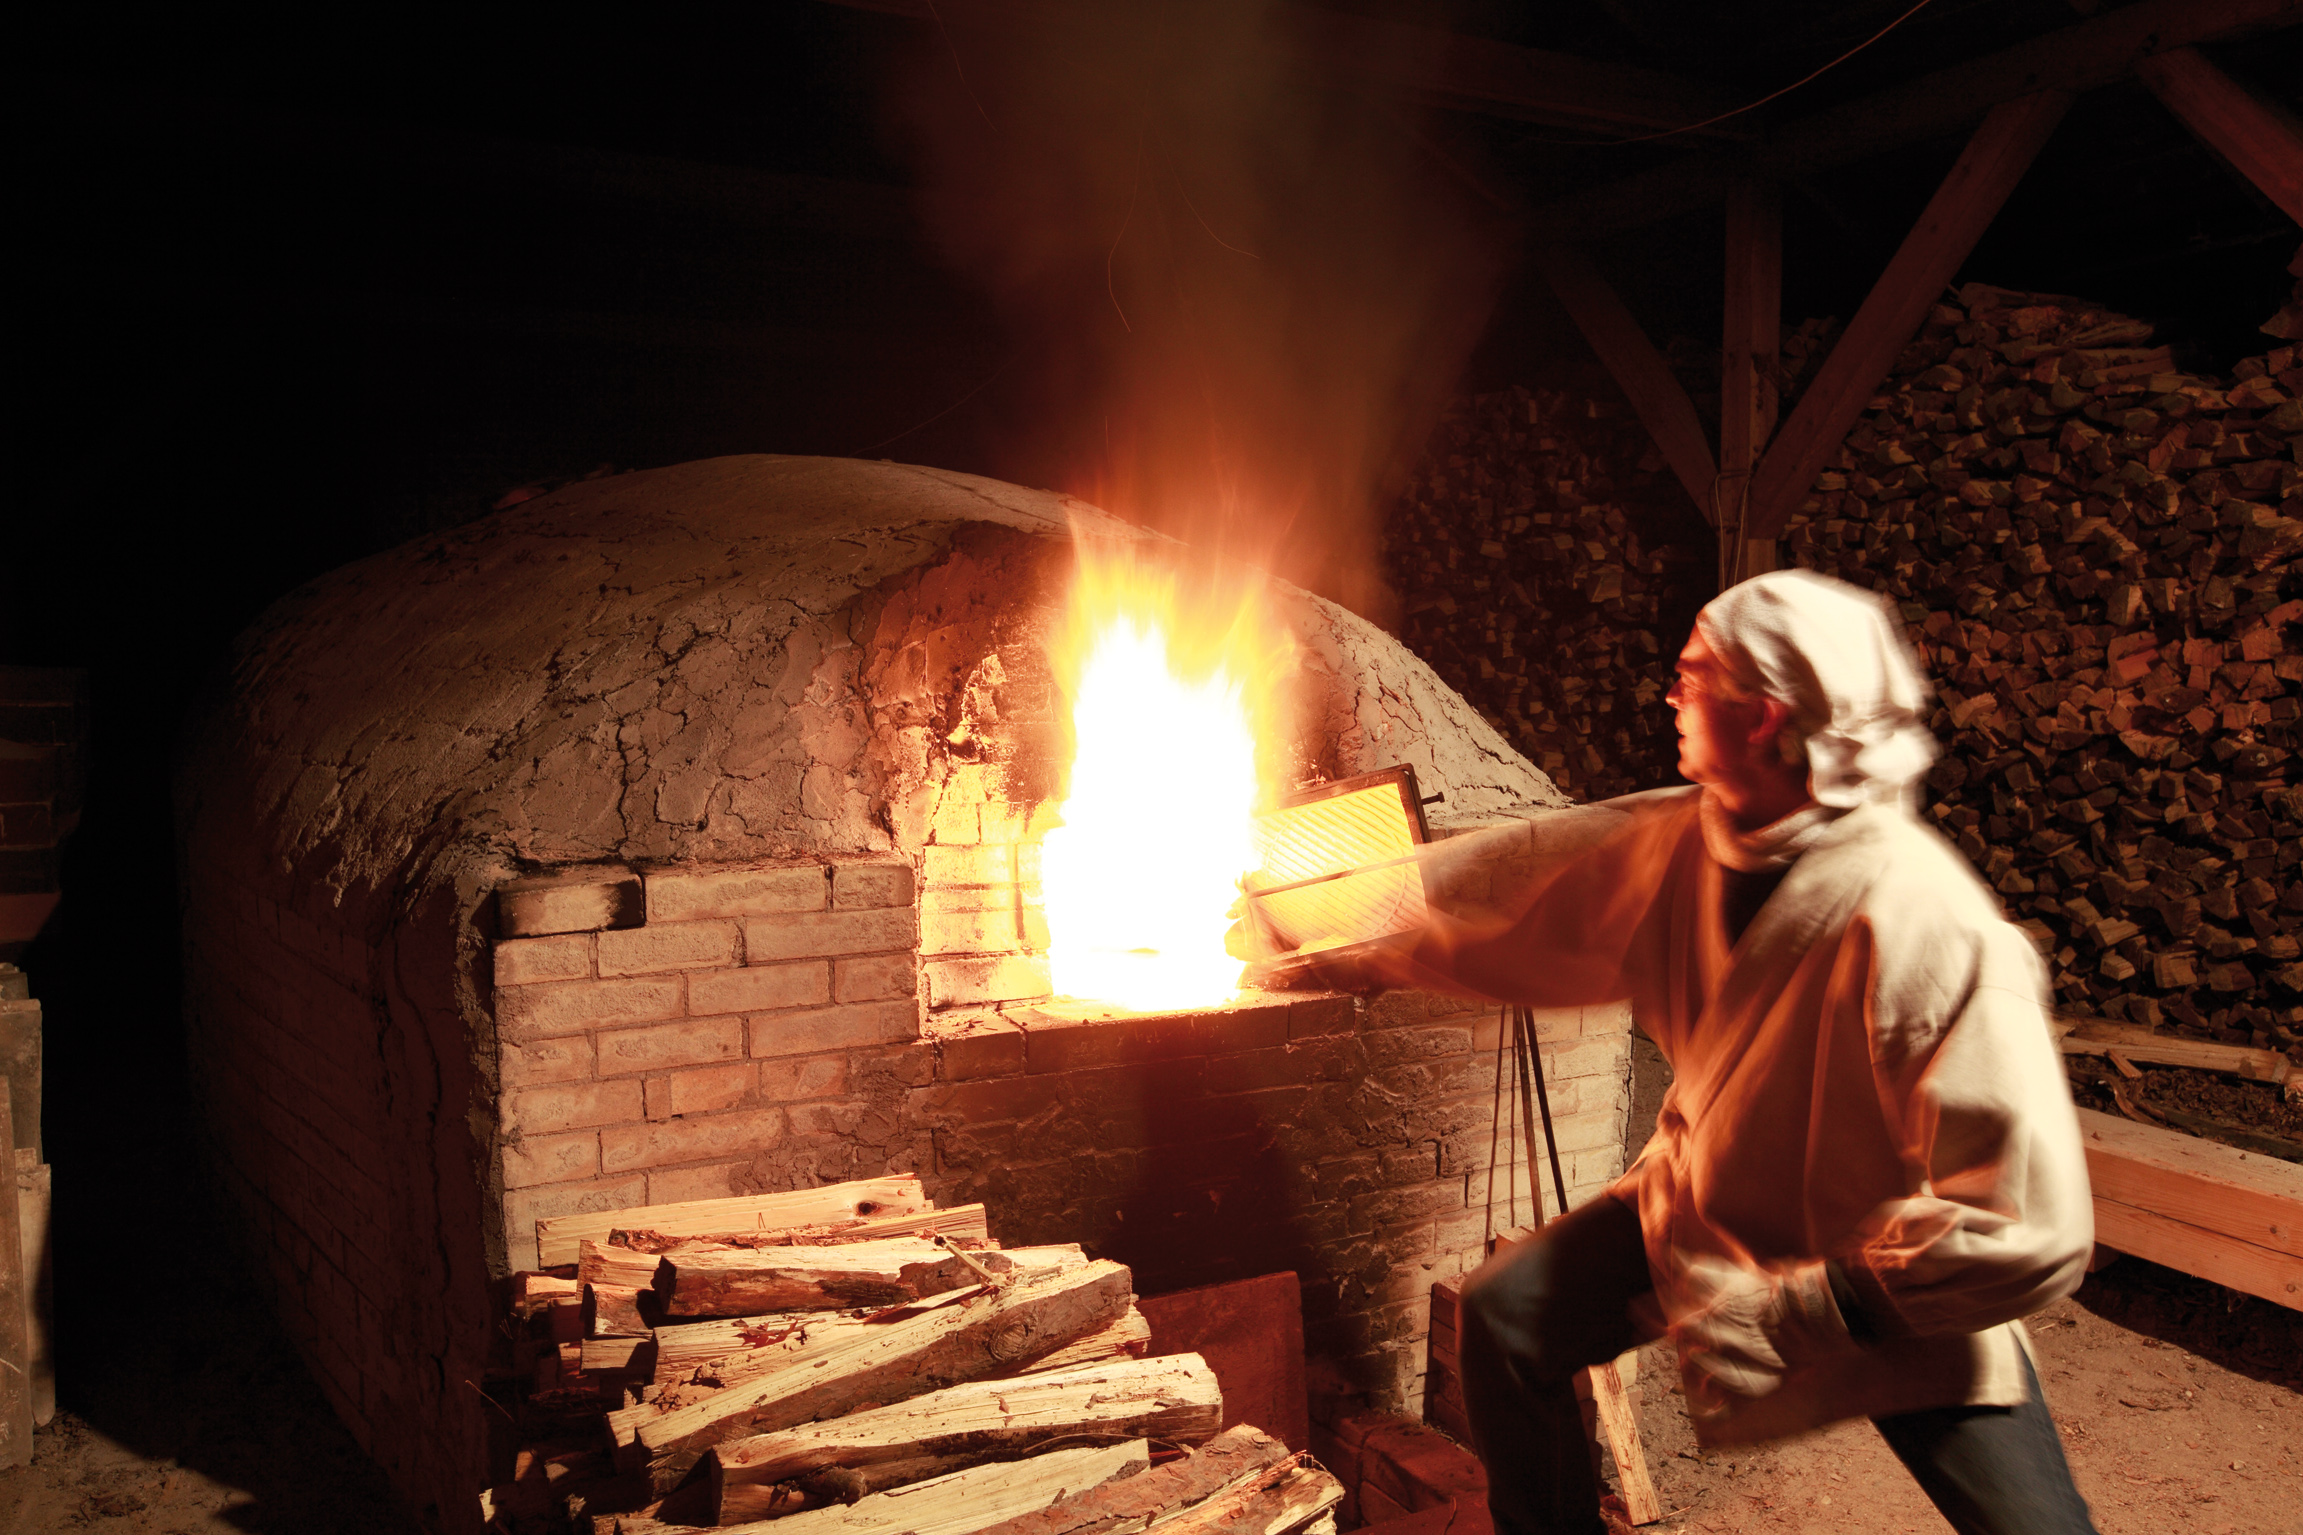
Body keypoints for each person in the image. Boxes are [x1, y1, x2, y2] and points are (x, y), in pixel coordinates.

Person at [1339, 570, 2100, 1535]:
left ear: (1762, 713)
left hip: (1871, 1263)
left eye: (1691, 678)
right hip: (1704, 1206)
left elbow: (2030, 1226)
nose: (1671, 695)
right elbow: (1527, 905)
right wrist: (1353, 937)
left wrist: (1810, 1310)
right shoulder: (1687, 841)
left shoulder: (1922, 921)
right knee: (1506, 1317)